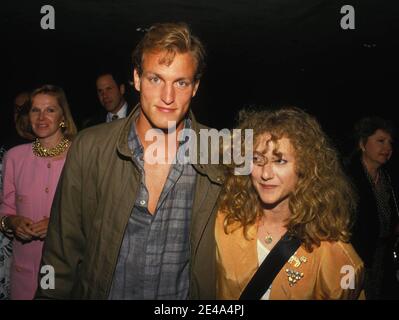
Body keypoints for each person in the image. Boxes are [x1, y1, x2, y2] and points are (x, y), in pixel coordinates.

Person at [36, 22, 225, 299]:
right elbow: (61, 252)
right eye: (155, 79)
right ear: (136, 78)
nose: (168, 97)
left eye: (181, 82)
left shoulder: (221, 153)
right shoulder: (90, 147)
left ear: (195, 87)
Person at [216, 107, 365, 300]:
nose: (266, 174)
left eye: (280, 161)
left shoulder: (335, 255)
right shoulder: (225, 222)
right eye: (257, 159)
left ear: (305, 166)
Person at [0, 85, 77, 299]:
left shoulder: (79, 155)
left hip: (62, 270)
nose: (42, 117)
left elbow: (93, 214)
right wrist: (12, 222)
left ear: (63, 115)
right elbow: (5, 210)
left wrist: (56, 225)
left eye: (50, 110)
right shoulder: (14, 157)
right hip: (23, 272)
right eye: (35, 110)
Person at [346, 116, 399, 299]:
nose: (388, 148)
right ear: (362, 144)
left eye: (390, 143)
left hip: (382, 260)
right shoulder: (347, 178)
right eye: (381, 141)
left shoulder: (388, 178)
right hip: (353, 260)